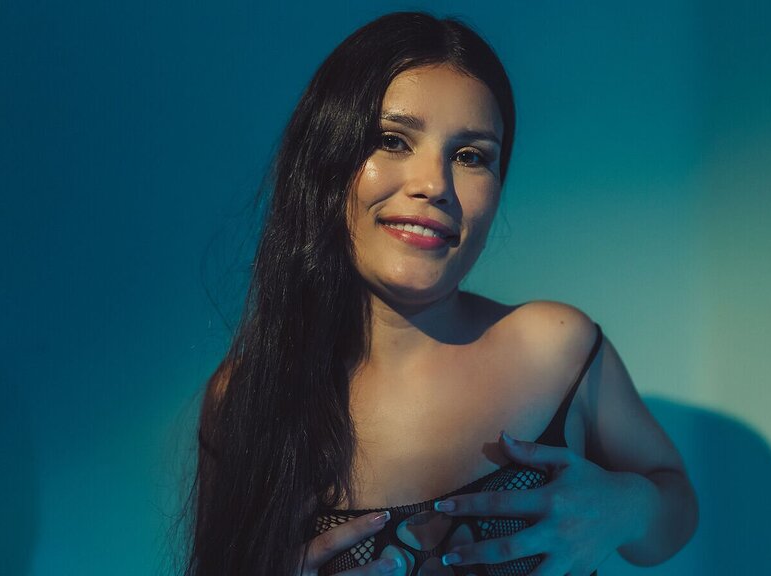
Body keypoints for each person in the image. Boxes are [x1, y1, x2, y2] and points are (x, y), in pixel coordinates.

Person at [186, 11, 698, 576]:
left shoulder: (556, 347)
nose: (434, 184)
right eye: (391, 140)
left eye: (470, 156)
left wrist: (627, 508)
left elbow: (675, 510)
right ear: (324, 159)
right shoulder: (244, 398)